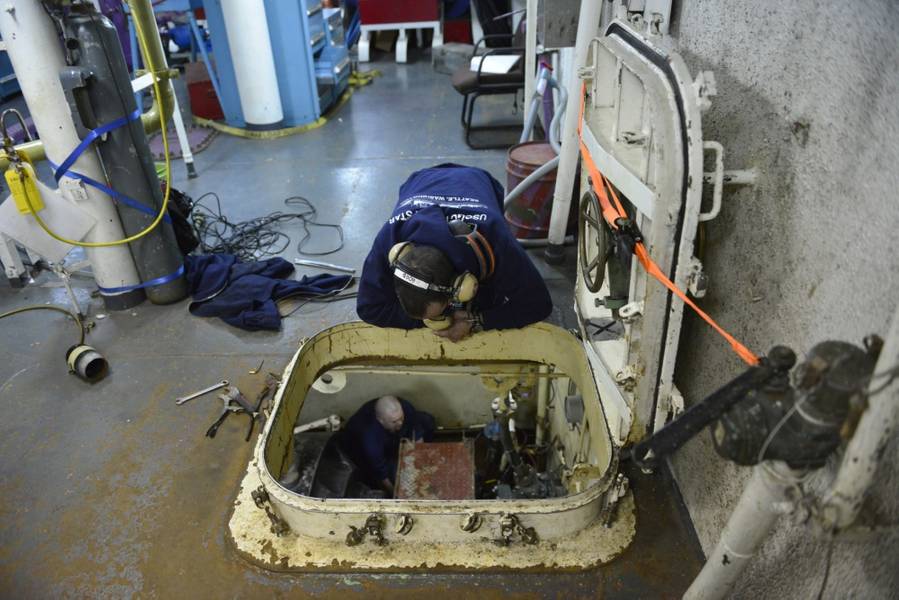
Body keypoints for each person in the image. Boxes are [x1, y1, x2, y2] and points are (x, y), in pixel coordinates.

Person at [356, 163, 553, 342]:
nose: (434, 319)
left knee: (489, 297)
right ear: (398, 256)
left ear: (461, 286)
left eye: (434, 315)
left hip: (476, 179)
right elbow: (368, 308)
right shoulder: (391, 237)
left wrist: (477, 320)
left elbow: (538, 304)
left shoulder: (496, 241)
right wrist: (428, 322)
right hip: (422, 178)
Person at [341, 395, 435, 495]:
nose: (400, 423)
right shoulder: (370, 437)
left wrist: (420, 462)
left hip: (389, 436)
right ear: (381, 421)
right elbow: (382, 475)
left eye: (401, 418)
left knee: (427, 420)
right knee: (398, 480)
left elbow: (417, 431)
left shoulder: (405, 406)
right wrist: (395, 495)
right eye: (394, 421)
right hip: (362, 452)